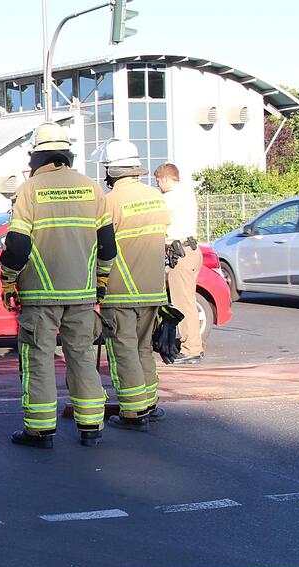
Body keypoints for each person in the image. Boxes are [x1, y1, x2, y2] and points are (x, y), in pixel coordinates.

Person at [1, 123, 117, 449]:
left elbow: (18, 244)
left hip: (39, 295)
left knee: (38, 358)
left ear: (36, 156)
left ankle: (40, 430)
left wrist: (9, 280)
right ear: (67, 155)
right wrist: (101, 279)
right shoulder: (92, 189)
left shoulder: (30, 190)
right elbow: (108, 246)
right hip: (81, 293)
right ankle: (91, 425)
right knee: (80, 355)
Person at [96, 141, 170, 432]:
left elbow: (100, 247)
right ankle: (150, 404)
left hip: (122, 291)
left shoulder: (110, 202)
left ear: (112, 172)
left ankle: (132, 412)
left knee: (123, 350)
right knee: (143, 348)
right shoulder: (156, 197)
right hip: (153, 290)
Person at [155, 162, 203, 366]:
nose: (158, 185)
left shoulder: (168, 199)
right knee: (190, 301)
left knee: (182, 303)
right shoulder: (187, 194)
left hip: (179, 252)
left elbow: (158, 223)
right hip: (193, 250)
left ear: (166, 179)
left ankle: (190, 350)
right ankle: (195, 346)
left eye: (158, 181)